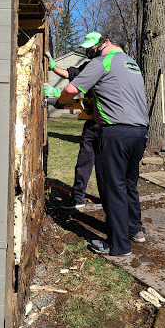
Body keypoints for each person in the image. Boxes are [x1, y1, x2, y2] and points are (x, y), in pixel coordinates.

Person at [55, 33, 149, 257]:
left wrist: (58, 103)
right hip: (140, 132)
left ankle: (119, 245)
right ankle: (135, 229)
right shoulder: (132, 63)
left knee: (112, 188)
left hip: (116, 132)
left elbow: (71, 90)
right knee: (128, 184)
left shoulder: (103, 61)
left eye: (99, 45)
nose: (96, 49)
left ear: (106, 43)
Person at [44, 33, 103, 210]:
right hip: (94, 121)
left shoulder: (104, 66)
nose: (87, 51)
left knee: (104, 164)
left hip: (107, 123)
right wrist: (53, 64)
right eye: (86, 48)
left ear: (100, 45)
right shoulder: (89, 65)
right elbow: (70, 74)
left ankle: (105, 198)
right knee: (85, 160)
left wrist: (57, 94)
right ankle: (78, 198)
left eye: (90, 48)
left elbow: (73, 87)